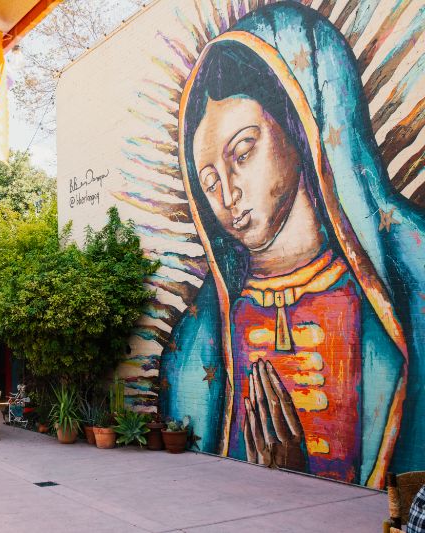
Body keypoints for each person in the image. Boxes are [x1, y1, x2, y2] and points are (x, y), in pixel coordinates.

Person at [159, 2, 425, 489]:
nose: (228, 194)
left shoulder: (405, 300)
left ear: (301, 126)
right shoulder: (200, 344)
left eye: (243, 151)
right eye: (209, 180)